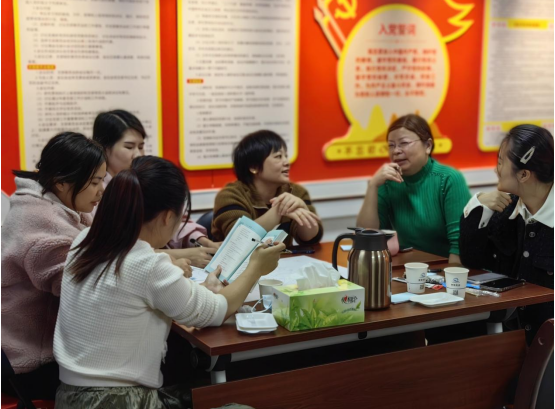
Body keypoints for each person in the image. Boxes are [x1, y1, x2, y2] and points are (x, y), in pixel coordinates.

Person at [53, 156, 284, 408]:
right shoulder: (147, 264)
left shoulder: (86, 241)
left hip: (70, 397)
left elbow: (150, 294)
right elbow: (216, 312)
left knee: (205, 392)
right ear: (166, 217)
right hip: (118, 401)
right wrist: (255, 267)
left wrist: (203, 291)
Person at [1, 132, 106, 400]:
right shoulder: (45, 226)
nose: (101, 190)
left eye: (102, 180)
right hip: (28, 365)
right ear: (61, 182)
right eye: (95, 182)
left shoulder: (52, 203)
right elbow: (85, 290)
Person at [460, 124, 553, 343]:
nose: (496, 170)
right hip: (513, 341)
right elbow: (472, 260)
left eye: (501, 162)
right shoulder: (507, 211)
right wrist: (477, 206)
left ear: (524, 174)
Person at [92, 109, 219, 267]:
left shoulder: (145, 178)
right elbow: (114, 251)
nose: (138, 154)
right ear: (105, 148)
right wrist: (181, 255)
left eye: (141, 146)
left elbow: (173, 217)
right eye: (129, 147)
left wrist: (201, 240)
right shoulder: (97, 193)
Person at [356, 114, 471, 263]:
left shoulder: (448, 179)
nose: (396, 151)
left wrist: (448, 276)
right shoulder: (388, 182)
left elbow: (459, 244)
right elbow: (367, 236)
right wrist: (373, 186)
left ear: (427, 146)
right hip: (409, 268)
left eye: (403, 143)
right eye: (391, 145)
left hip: (448, 267)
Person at [212, 130, 323, 247]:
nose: (286, 162)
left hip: (282, 258)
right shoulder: (230, 195)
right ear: (254, 167)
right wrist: (278, 210)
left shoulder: (295, 192)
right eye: (278, 156)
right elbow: (239, 240)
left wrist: (304, 210)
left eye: (286, 156)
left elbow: (311, 239)